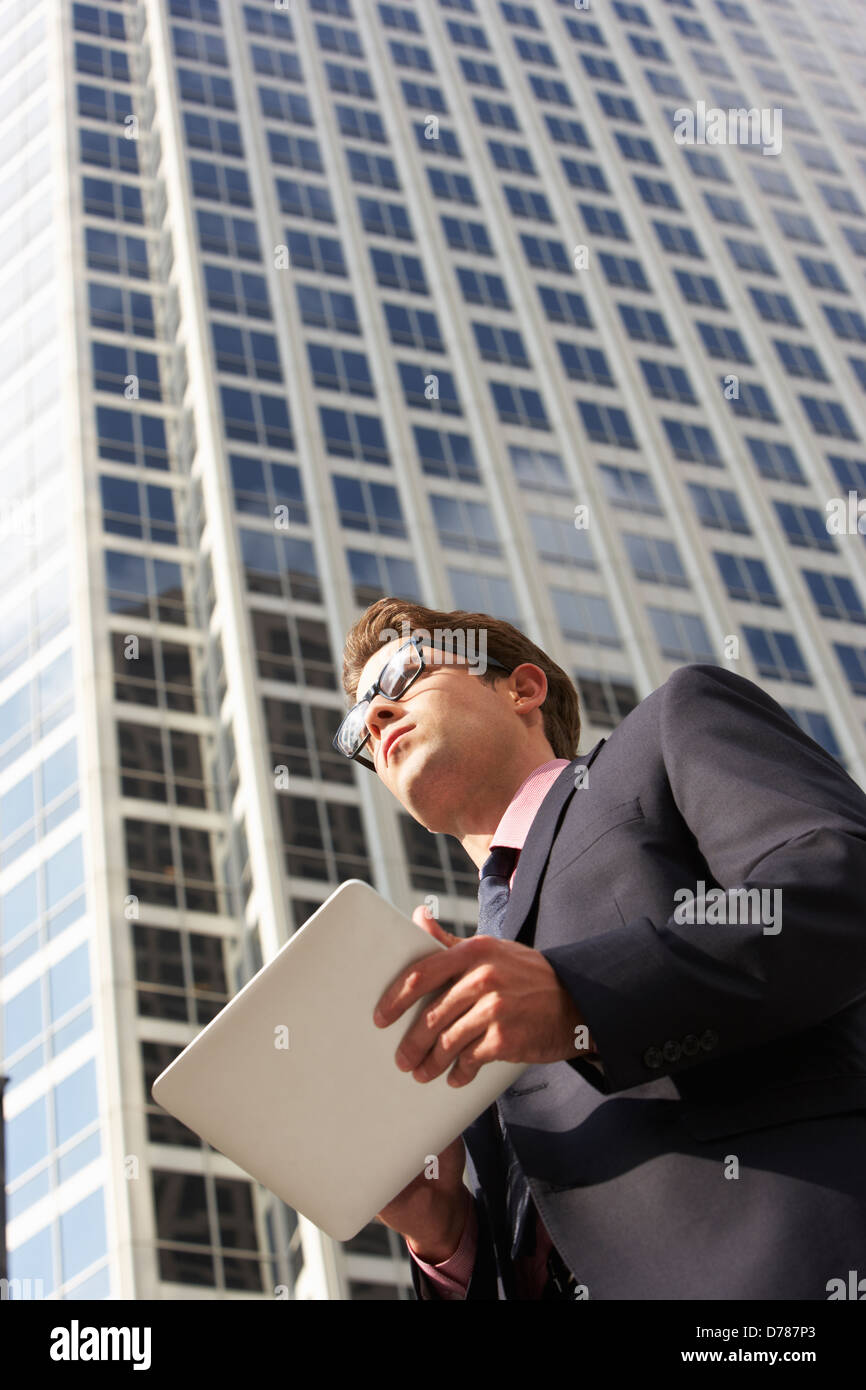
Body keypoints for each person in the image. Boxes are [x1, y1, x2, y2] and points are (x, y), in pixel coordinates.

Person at [333, 598, 866, 1299]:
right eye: (357, 731)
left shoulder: (673, 727)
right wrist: (450, 1239)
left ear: (522, 688)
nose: (376, 718)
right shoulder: (464, 980)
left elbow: (841, 882)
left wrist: (580, 995)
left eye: (402, 675)